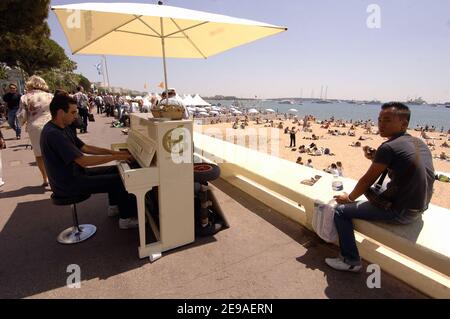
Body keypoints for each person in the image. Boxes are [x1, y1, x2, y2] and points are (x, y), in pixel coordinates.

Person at [326, 102, 435, 272]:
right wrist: (374, 159)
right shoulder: (418, 142)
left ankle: (350, 260)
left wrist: (349, 198)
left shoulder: (388, 147)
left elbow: (366, 181)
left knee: (340, 212)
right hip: (420, 208)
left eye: (387, 120)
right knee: (378, 189)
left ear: (403, 124)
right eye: (379, 119)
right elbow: (404, 167)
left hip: (401, 213)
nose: (381, 124)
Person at [40, 93, 139, 229]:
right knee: (121, 179)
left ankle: (115, 207)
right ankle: (126, 219)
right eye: (73, 112)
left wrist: (115, 153)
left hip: (74, 174)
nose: (76, 116)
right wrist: (117, 157)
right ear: (60, 112)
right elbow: (84, 161)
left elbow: (85, 147)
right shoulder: (54, 134)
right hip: (67, 184)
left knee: (116, 170)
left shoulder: (63, 127)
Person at [18, 76, 54, 186]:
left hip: (35, 128)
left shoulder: (25, 97)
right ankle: (55, 177)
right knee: (52, 152)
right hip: (50, 126)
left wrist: (23, 123)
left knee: (39, 155)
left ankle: (45, 178)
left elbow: (21, 116)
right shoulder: (50, 96)